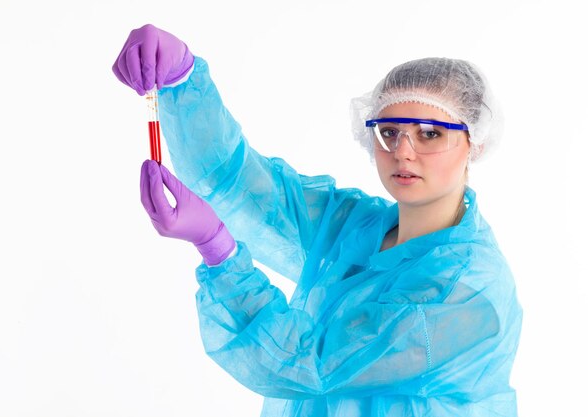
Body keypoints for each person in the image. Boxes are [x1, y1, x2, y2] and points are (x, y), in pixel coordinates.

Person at [113, 24, 522, 417]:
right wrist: (183, 80)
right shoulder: (357, 229)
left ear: (475, 142)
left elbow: (310, 363)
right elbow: (240, 183)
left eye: (430, 133)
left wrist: (219, 251)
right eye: (389, 132)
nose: (403, 152)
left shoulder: (468, 289)